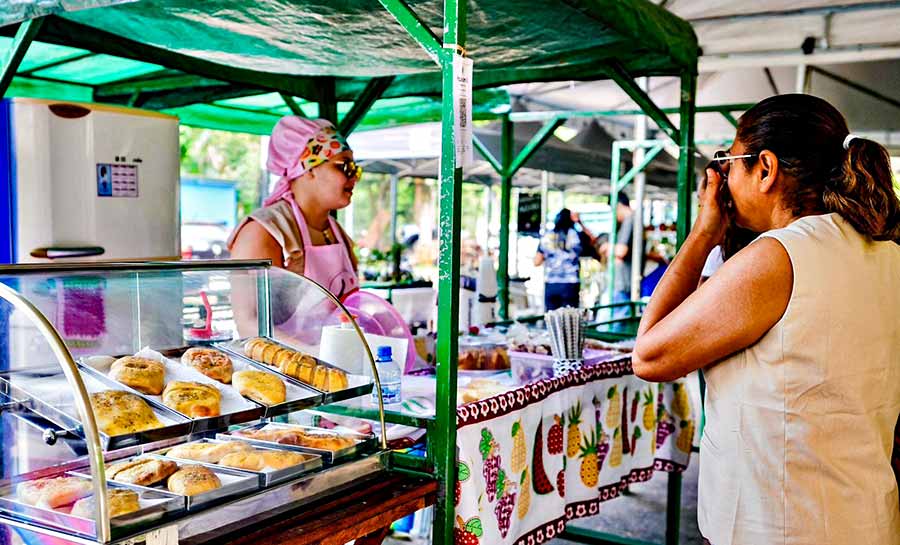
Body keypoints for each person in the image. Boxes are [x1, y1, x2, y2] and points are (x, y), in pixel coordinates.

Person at [632, 94, 900, 545]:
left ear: (766, 169)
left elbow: (650, 355)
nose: (723, 179)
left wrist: (704, 233)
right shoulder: (885, 255)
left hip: (782, 526)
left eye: (729, 162)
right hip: (863, 516)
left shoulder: (779, 257)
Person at [228, 117, 362, 337]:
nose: (354, 177)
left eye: (356, 169)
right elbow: (249, 324)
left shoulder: (339, 234)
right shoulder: (264, 232)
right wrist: (314, 358)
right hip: (281, 369)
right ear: (309, 169)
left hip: (336, 364)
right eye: (345, 166)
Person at [534, 209, 595, 310]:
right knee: (569, 321)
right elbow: (593, 240)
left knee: (553, 320)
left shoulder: (547, 237)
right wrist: (579, 222)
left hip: (551, 283)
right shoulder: (576, 235)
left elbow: (537, 262)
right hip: (570, 284)